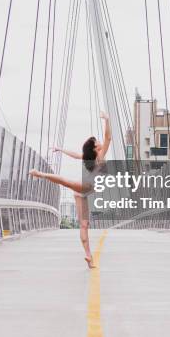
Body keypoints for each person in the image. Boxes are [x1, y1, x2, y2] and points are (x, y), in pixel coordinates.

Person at [29, 112, 111, 268]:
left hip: (82, 193)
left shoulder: (90, 157)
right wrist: (107, 120)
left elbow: (75, 155)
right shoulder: (99, 155)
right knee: (66, 182)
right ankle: (39, 174)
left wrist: (61, 149)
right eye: (96, 141)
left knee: (84, 225)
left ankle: (89, 257)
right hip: (85, 188)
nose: (100, 141)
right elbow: (108, 138)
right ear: (95, 148)